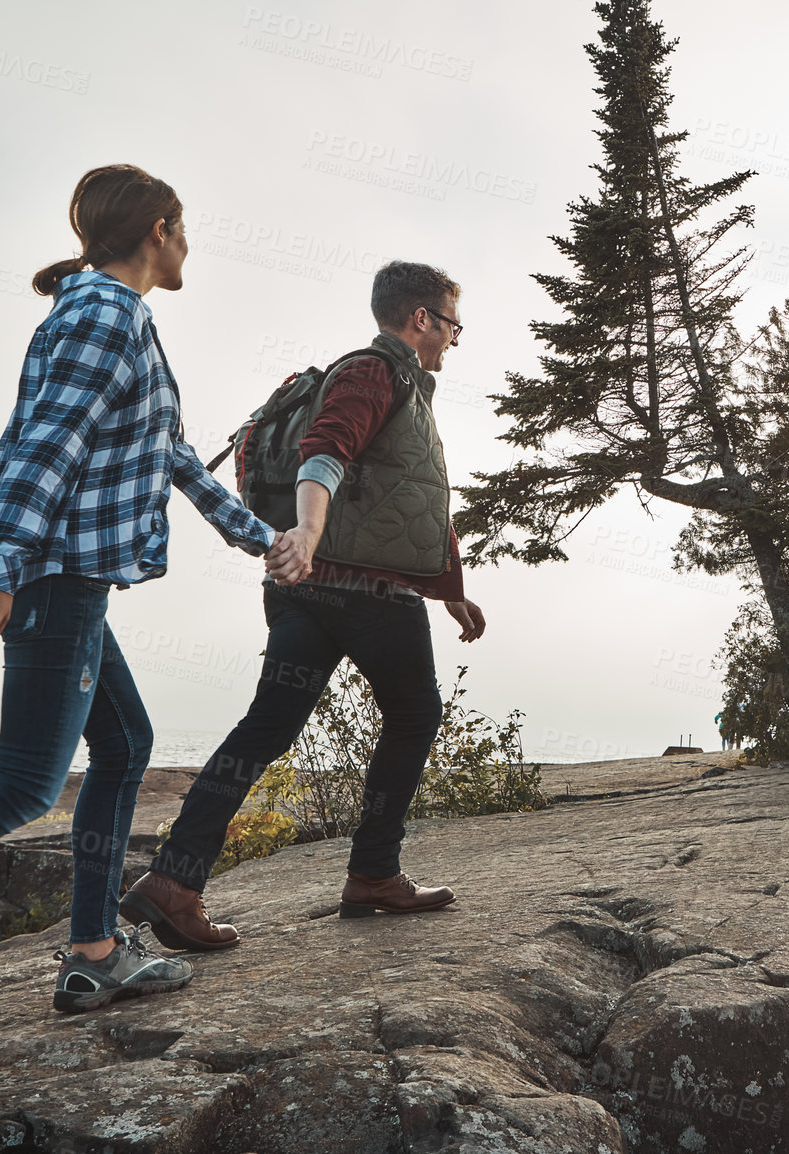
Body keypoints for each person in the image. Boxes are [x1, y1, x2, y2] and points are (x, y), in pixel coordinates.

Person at [0, 164, 285, 1012]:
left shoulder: (120, 319)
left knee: (124, 746)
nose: (190, 242)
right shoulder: (102, 315)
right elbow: (43, 449)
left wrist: (265, 539)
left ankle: (92, 951)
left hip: (70, 579)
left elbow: (175, 456)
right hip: (52, 575)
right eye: (184, 225)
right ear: (159, 228)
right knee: (23, 784)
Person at [121, 261, 485, 950]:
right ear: (421, 320)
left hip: (306, 594)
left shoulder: (395, 384)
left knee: (266, 728)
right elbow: (325, 455)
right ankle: (375, 872)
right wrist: (308, 534)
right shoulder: (375, 374)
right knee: (415, 713)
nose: (455, 340)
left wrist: (452, 592)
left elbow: (406, 503)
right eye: (453, 325)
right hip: (365, 594)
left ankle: (173, 881)